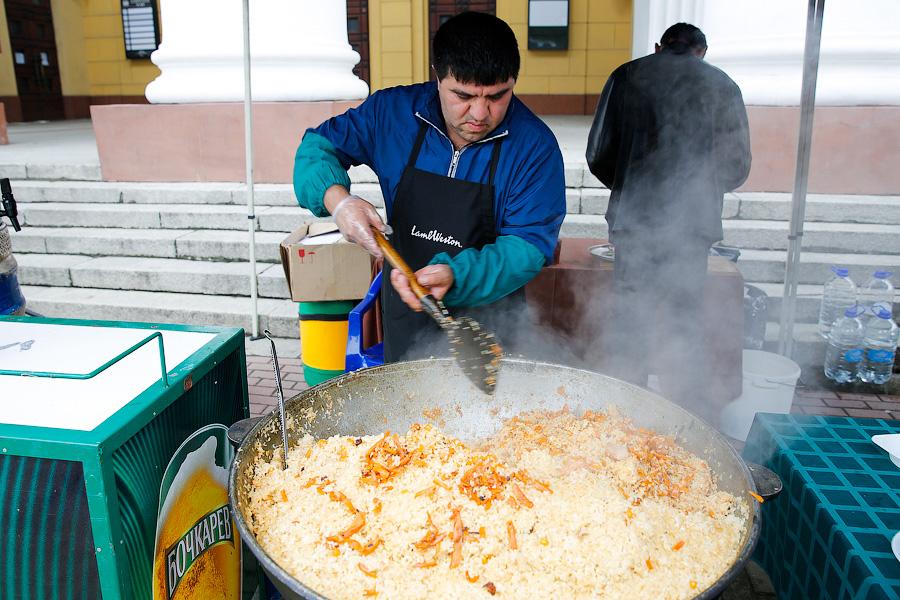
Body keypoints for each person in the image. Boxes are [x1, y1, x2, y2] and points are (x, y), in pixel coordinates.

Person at [294, 11, 566, 362]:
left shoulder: (534, 146)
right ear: (438, 76)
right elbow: (317, 148)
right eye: (463, 95)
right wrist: (340, 202)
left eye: (498, 96)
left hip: (489, 321)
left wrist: (457, 275)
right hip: (407, 311)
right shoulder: (392, 114)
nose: (480, 114)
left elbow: (527, 247)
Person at [585, 23, 751, 422]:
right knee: (683, 318)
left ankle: (625, 417)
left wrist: (628, 186)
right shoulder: (722, 84)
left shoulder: (627, 76)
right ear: (702, 51)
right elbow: (737, 165)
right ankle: (681, 420)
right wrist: (702, 192)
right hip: (692, 226)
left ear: (660, 46)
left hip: (634, 221)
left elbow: (598, 153)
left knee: (629, 318)